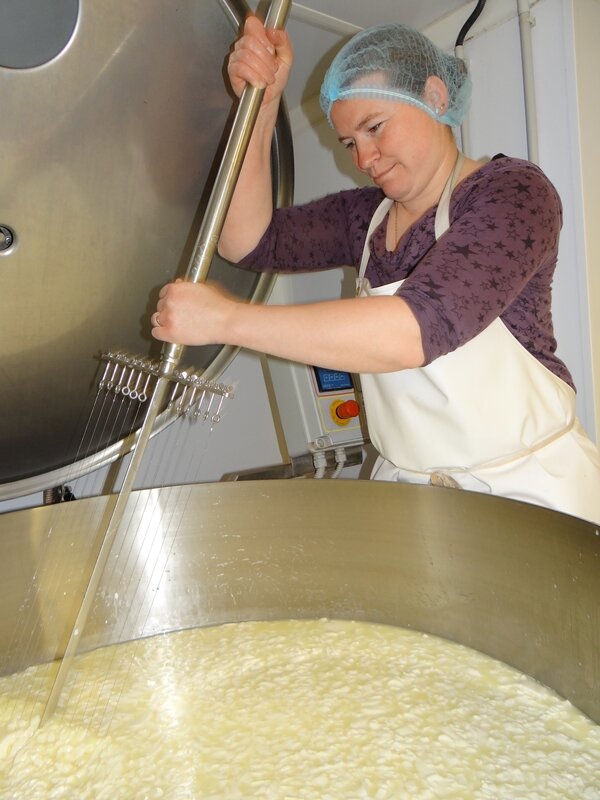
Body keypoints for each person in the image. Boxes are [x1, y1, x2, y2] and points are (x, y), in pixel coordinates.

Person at [151, 17, 600, 524]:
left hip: (528, 498)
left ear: (434, 96)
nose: (363, 157)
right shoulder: (365, 217)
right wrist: (262, 105)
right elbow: (249, 241)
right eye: (348, 143)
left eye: (374, 127)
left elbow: (414, 330)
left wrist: (226, 319)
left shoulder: (513, 194)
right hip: (418, 504)